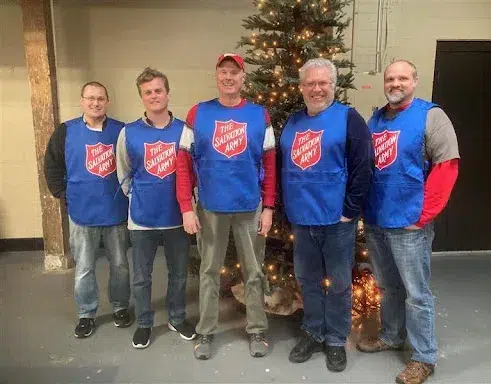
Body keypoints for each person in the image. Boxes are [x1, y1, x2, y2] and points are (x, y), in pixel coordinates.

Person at [358, 60, 460, 384]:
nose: (395, 82)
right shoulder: (374, 120)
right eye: (390, 78)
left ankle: (423, 357)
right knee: (388, 287)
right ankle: (391, 335)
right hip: (376, 221)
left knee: (417, 294)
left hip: (409, 225)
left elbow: (447, 167)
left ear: (415, 81)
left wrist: (424, 216)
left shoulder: (431, 116)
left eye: (402, 77)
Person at [176, 53, 277, 360]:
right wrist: (186, 207)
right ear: (216, 76)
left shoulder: (261, 116)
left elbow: (271, 164)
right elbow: (182, 162)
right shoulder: (197, 114)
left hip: (250, 206)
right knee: (208, 270)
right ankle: (205, 331)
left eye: (235, 72)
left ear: (243, 78)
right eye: (224, 72)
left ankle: (257, 327)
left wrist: (269, 207)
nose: (229, 77)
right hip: (209, 207)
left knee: (254, 271)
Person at [279, 58, 373, 372]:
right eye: (310, 83)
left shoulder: (350, 119)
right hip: (302, 220)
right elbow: (284, 168)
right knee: (307, 281)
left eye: (323, 83)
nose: (316, 89)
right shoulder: (292, 122)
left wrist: (350, 211)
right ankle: (313, 331)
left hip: (337, 222)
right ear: (302, 86)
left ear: (333, 85)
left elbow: (363, 168)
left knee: (340, 283)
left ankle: (335, 339)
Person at [116, 67, 196, 349]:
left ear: (168, 93)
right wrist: (141, 195)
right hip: (142, 219)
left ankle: (176, 317)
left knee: (178, 272)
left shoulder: (185, 131)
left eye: (158, 90)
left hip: (177, 216)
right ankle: (144, 323)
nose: (154, 96)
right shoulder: (129, 132)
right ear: (142, 97)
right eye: (148, 92)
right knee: (141, 276)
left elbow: (192, 171)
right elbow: (123, 173)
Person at [44, 81, 131, 338]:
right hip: (82, 213)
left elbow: (133, 165)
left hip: (116, 211)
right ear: (82, 101)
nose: (95, 103)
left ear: (107, 102)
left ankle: (120, 306)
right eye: (90, 98)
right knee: (84, 267)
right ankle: (86, 313)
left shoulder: (121, 131)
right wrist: (63, 193)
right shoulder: (65, 131)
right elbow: (52, 166)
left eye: (100, 98)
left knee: (120, 265)